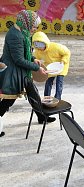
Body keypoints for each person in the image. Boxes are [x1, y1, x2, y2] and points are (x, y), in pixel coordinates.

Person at [0, 10, 54, 138]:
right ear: (27, 23)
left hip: (21, 71)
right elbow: (18, 59)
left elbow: (25, 53)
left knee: (33, 93)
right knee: (8, 101)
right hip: (12, 72)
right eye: (34, 26)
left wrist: (33, 58)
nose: (35, 29)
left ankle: (42, 116)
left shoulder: (22, 32)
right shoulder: (15, 35)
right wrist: (36, 68)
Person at [32, 31, 71, 100]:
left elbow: (67, 52)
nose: (40, 48)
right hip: (50, 67)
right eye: (37, 45)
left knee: (59, 82)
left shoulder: (55, 47)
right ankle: (46, 97)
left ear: (45, 42)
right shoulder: (38, 51)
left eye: (41, 45)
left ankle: (57, 98)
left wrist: (63, 61)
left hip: (61, 65)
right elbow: (34, 59)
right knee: (48, 81)